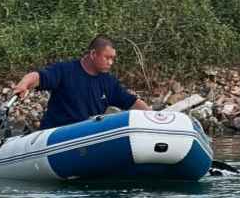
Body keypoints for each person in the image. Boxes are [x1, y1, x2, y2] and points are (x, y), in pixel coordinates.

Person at [11, 36, 151, 130]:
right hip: (54, 136)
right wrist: (23, 84)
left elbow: (131, 101)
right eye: (107, 58)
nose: (111, 63)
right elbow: (38, 76)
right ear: (93, 54)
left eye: (113, 58)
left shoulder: (109, 82)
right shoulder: (65, 70)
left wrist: (153, 116)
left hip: (85, 137)